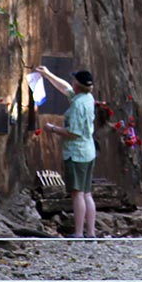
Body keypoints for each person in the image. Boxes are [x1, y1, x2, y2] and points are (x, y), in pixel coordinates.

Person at [34, 65, 97, 239]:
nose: (71, 82)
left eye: (74, 80)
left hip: (77, 154)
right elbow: (65, 88)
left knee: (77, 194)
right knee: (86, 193)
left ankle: (78, 232)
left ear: (77, 84)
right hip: (88, 151)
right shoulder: (86, 98)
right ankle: (91, 232)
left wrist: (53, 128)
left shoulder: (78, 106)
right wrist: (48, 75)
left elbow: (73, 132)